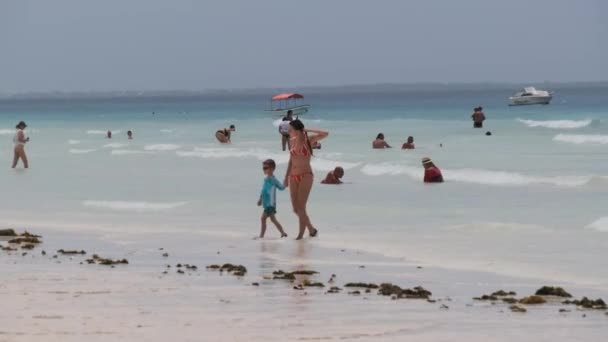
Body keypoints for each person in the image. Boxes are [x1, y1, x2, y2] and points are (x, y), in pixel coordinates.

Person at [284, 119, 328, 240]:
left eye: (290, 129)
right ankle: (312, 230)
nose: (288, 131)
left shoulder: (309, 140)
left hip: (306, 175)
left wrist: (307, 130)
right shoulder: (291, 141)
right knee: (295, 209)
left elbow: (326, 133)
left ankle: (300, 235)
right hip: (293, 176)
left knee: (301, 207)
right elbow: (291, 160)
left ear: (297, 130)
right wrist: (286, 177)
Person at [257, 159, 288, 239]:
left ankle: (261, 236)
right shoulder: (266, 179)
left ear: (272, 169)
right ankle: (283, 233)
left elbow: (281, 187)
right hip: (266, 203)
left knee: (264, 218)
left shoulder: (273, 180)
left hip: (270, 204)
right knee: (272, 219)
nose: (264, 170)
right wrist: (260, 199)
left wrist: (285, 183)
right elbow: (263, 190)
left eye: (265, 168)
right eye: (263, 168)